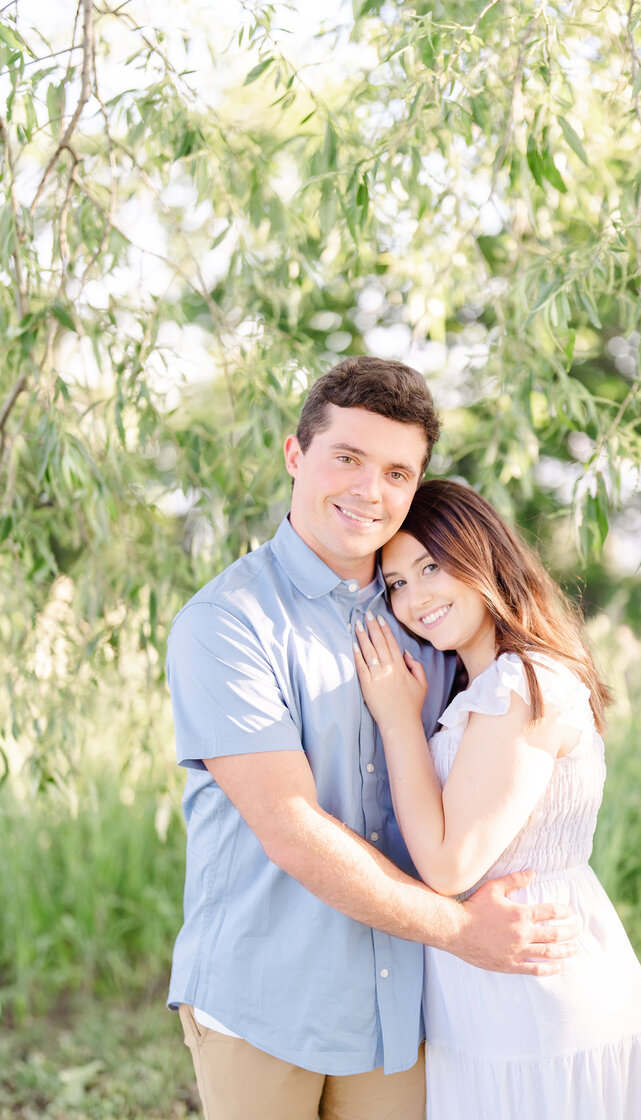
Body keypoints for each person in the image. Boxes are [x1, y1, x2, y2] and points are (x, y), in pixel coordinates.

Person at [166, 357, 578, 1120]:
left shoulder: (428, 613)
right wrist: (463, 931)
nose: (371, 491)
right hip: (265, 1003)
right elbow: (291, 831)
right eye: (347, 458)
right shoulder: (226, 625)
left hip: (402, 1008)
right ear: (296, 456)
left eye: (398, 472)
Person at [353, 478, 641, 1119]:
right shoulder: (486, 684)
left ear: (483, 556)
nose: (414, 599)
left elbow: (448, 866)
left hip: (533, 991)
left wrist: (395, 720)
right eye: (397, 584)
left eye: (431, 567)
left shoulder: (521, 684)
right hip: (498, 978)